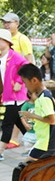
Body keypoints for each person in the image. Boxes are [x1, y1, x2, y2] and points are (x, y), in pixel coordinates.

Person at [17, 64, 55, 161]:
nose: (25, 86)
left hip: (46, 145)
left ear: (34, 80)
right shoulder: (42, 96)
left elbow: (52, 120)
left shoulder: (44, 97)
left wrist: (32, 115)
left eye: (25, 82)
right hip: (44, 143)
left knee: (24, 169)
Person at [0, 29, 29, 161]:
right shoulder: (1, 58)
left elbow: (26, 66)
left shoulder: (15, 56)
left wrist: (18, 81)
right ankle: (35, 146)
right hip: (8, 96)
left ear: (6, 42)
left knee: (7, 123)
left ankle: (0, 150)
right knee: (20, 123)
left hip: (16, 96)